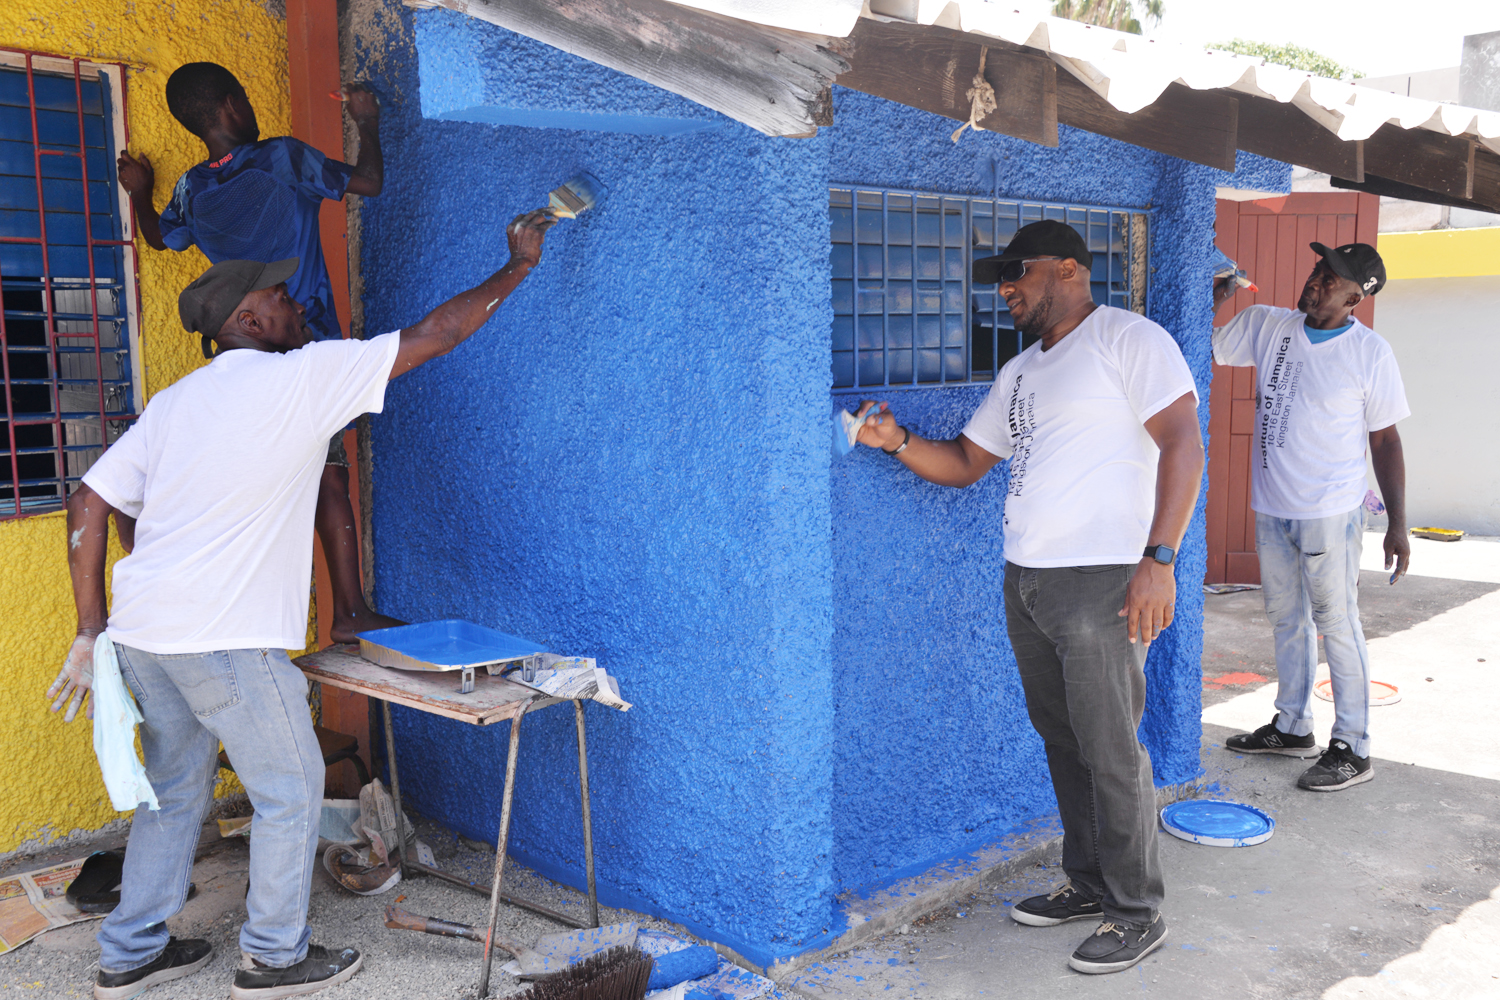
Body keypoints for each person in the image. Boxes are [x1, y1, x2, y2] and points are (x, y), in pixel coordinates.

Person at [46, 209, 556, 1000]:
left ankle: (130, 951)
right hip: (221, 640)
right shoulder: (301, 376)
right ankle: (274, 957)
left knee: (174, 793)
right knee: (291, 789)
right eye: (283, 298)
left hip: (143, 636)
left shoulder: (176, 404)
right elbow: (435, 335)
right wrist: (516, 266)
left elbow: (88, 502)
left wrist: (90, 630)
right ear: (250, 318)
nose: (298, 307)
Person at [853, 220, 1204, 975]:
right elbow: (967, 462)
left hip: (1107, 578)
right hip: (1029, 583)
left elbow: (1184, 442)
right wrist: (896, 441)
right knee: (1064, 742)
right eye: (1000, 278)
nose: (1005, 287)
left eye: (1018, 271)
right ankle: (1087, 885)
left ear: (1070, 268)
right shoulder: (1021, 372)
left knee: (1113, 750)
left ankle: (1135, 911)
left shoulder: (1128, 339)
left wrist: (1161, 559)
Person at [115, 61, 396, 644]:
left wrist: (140, 193)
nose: (250, 104)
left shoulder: (191, 189)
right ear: (228, 106)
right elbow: (368, 183)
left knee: (289, 472)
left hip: (243, 344)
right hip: (302, 331)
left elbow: (159, 237)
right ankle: (349, 612)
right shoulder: (279, 159)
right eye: (243, 94)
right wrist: (366, 122)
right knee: (330, 476)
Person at [1213, 243, 1410, 792]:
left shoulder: (1370, 353)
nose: (1316, 281)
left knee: (1336, 623)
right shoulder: (1267, 325)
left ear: (1355, 297)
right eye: (1319, 270)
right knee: (1286, 619)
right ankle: (1293, 725)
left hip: (1330, 512)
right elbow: (1202, 345)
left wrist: (1397, 523)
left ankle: (1353, 746)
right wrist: (1211, 294)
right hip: (1273, 505)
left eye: (1331, 279)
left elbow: (1387, 440)